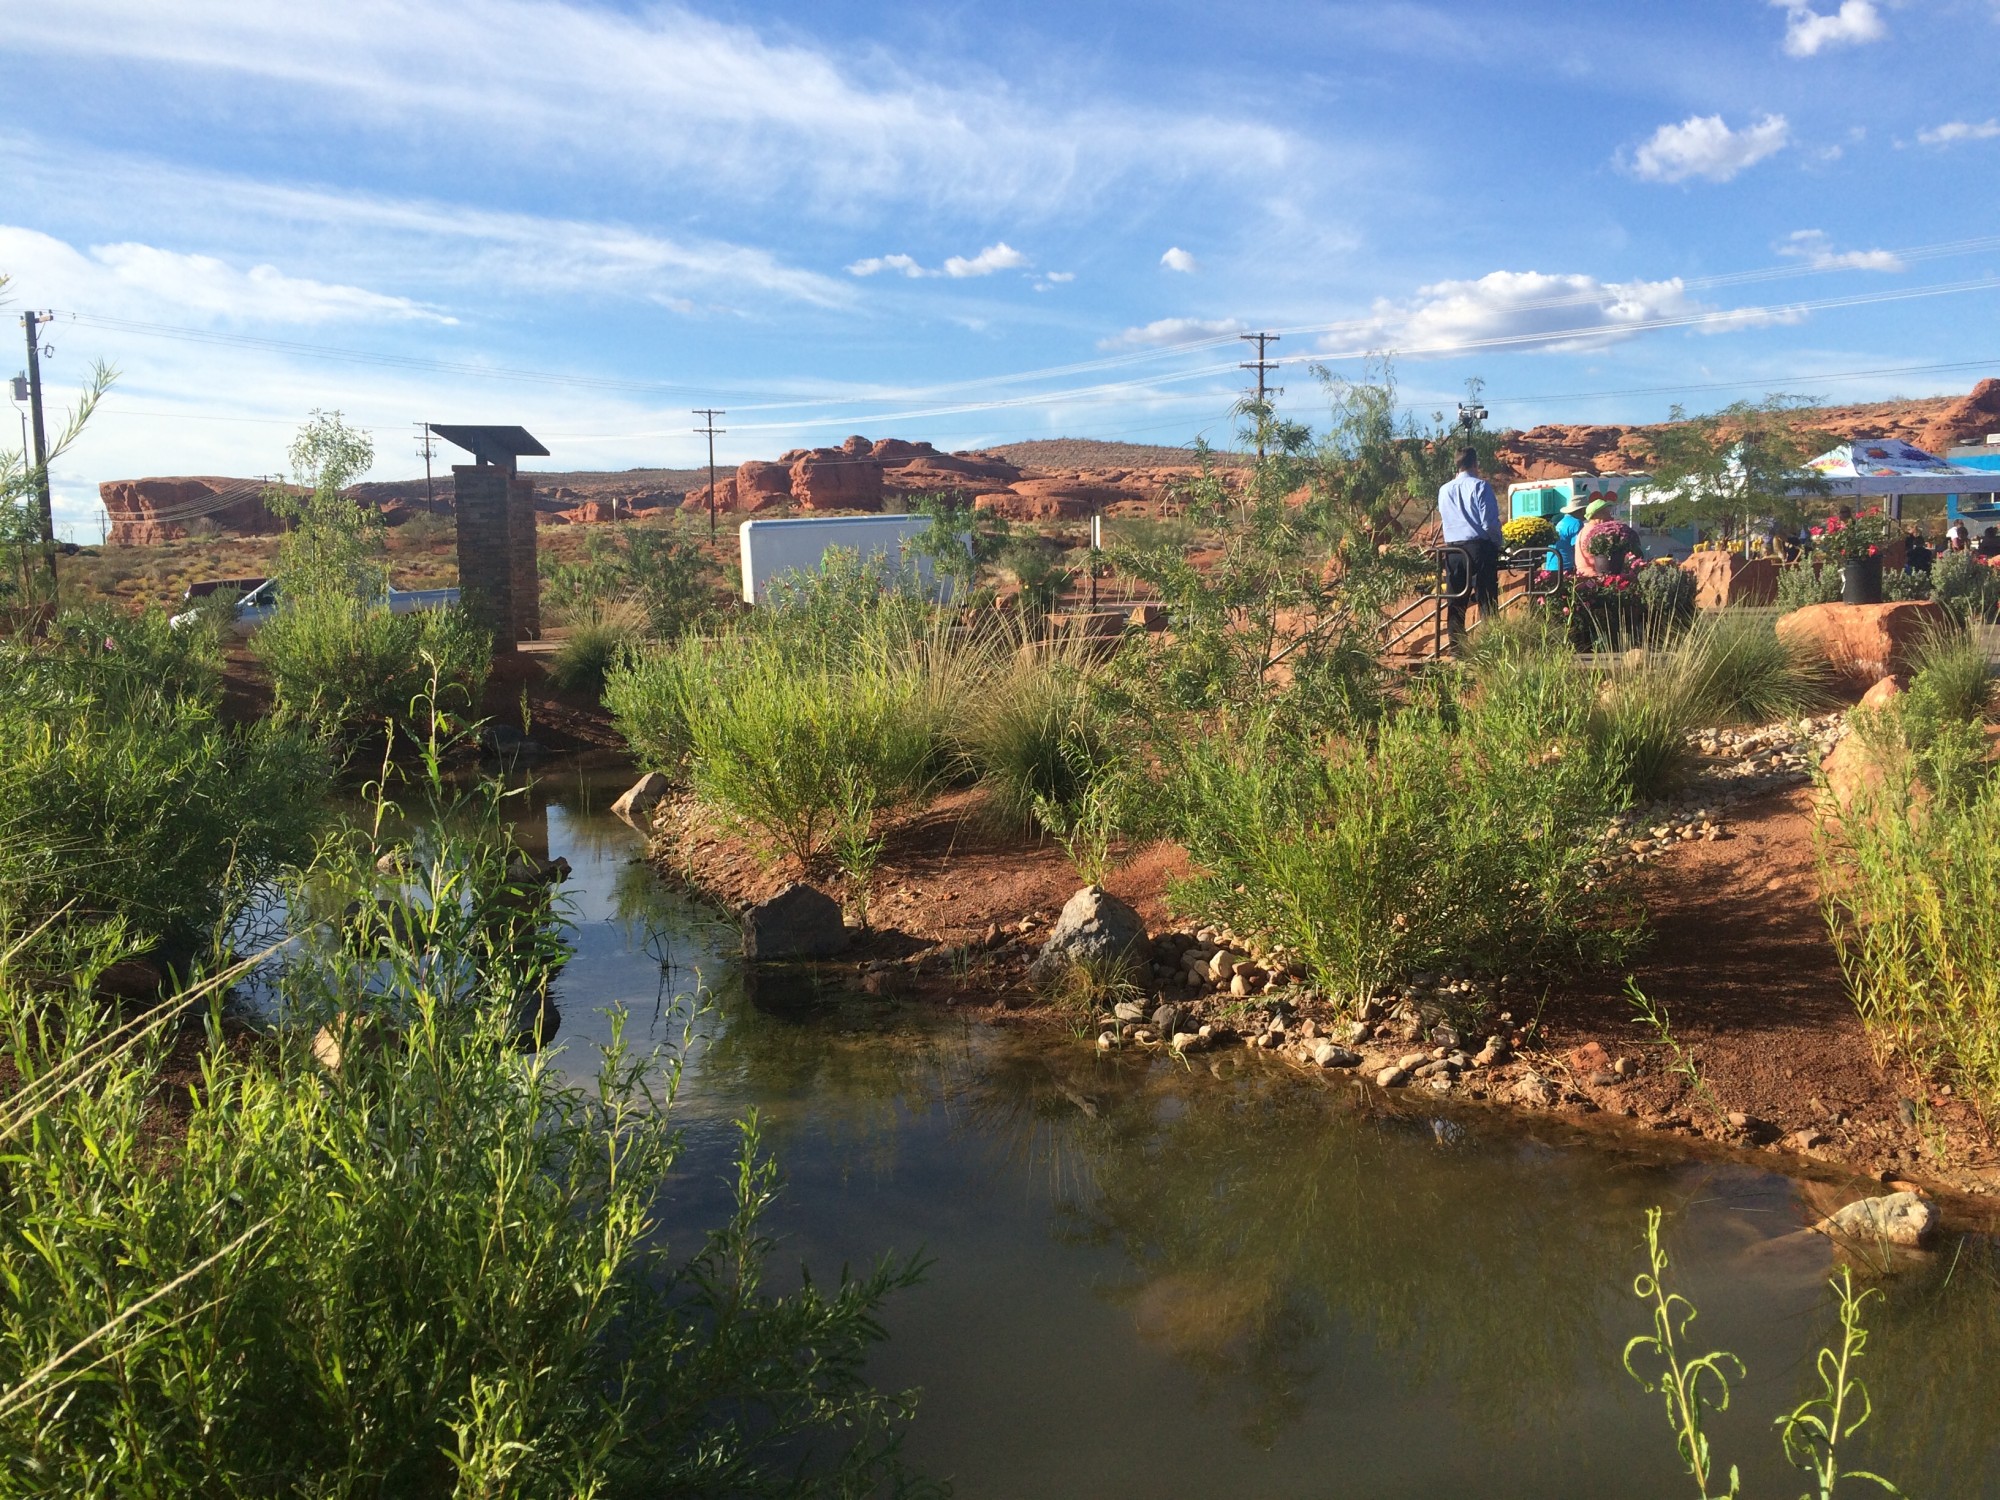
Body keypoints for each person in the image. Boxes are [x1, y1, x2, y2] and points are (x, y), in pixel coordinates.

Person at [1436, 447, 1501, 640]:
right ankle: (1492, 643)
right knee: (1486, 598)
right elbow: (1488, 522)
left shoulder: (1444, 489)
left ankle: (1457, 648)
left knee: (1455, 601)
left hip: (1453, 550)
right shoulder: (1480, 486)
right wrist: (1497, 542)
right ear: (1475, 463)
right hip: (1478, 548)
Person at [1574, 498, 1641, 579]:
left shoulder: (1586, 529)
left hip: (1585, 574)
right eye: (1606, 513)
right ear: (1596, 515)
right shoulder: (1594, 532)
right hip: (1593, 576)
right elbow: (1604, 559)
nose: (1609, 516)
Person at [1544, 492, 1588, 573]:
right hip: (1565, 567)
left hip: (1552, 565)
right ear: (1582, 510)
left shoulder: (1562, 521)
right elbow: (1578, 547)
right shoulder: (1577, 523)